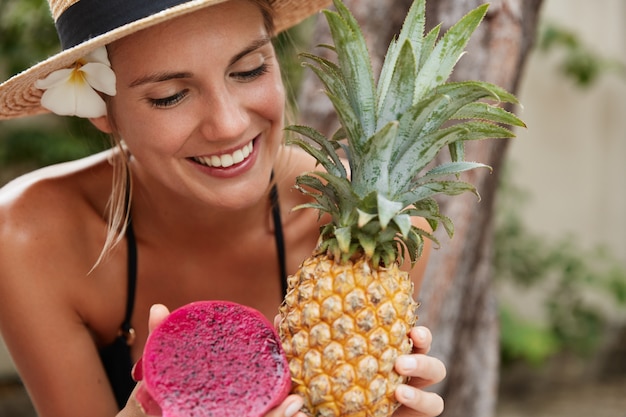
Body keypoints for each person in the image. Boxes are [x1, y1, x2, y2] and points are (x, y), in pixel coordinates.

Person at [0, 0, 447, 416]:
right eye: (170, 95)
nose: (229, 124)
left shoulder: (377, 230)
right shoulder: (27, 239)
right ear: (101, 108)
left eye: (249, 70)